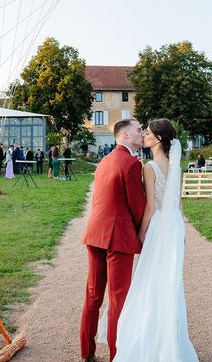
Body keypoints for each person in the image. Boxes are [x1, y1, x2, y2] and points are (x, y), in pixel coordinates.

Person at [110, 119, 198, 362]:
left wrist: (139, 237)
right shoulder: (176, 166)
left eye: (148, 132)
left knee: (150, 283)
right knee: (170, 284)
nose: (144, 135)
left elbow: (150, 206)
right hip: (175, 227)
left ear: (158, 139)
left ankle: (152, 343)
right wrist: (182, 233)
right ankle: (172, 343)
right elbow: (178, 204)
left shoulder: (149, 167)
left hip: (159, 228)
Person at [79, 119, 146, 362]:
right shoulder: (131, 164)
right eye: (139, 129)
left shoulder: (104, 162)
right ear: (125, 135)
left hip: (95, 233)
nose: (143, 132)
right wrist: (144, 233)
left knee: (93, 296)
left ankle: (87, 353)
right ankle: (116, 357)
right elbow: (137, 207)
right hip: (118, 237)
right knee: (118, 298)